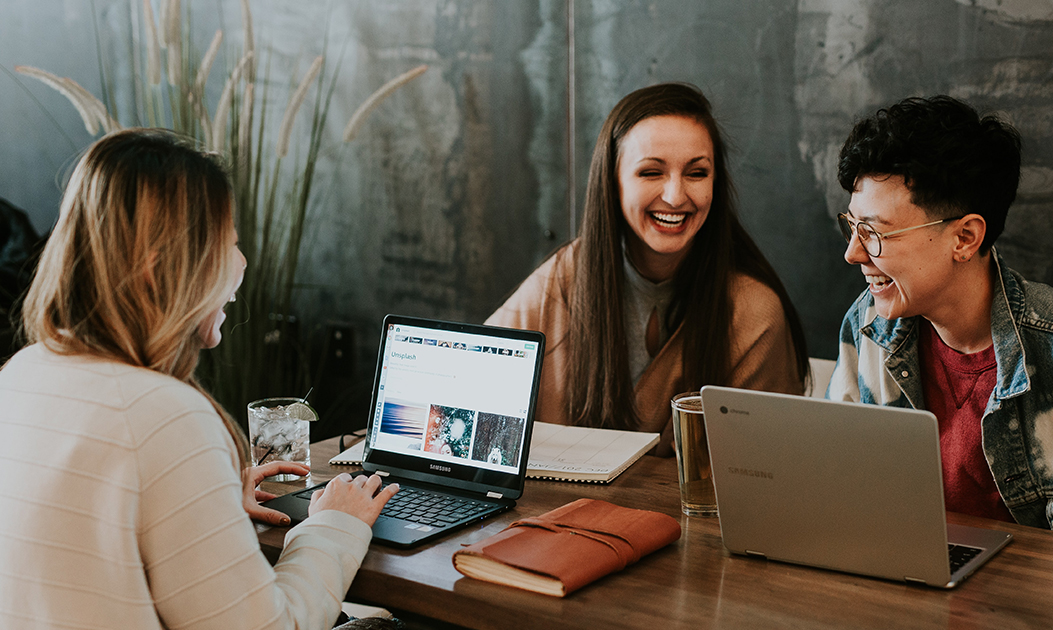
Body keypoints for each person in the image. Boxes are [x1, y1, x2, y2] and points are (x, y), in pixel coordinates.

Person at [0, 129, 400, 630]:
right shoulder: (163, 414)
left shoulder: (22, 373)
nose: (242, 263)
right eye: (228, 243)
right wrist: (333, 524)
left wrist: (207, 501)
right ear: (160, 267)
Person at [828, 95, 1053, 630]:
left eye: (877, 234)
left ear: (965, 237)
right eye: (852, 226)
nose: (854, 254)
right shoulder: (867, 329)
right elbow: (836, 487)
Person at [488, 83, 809, 455]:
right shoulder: (564, 278)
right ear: (613, 181)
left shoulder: (754, 312)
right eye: (650, 173)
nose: (675, 196)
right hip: (554, 512)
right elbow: (469, 381)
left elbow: (768, 471)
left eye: (697, 173)